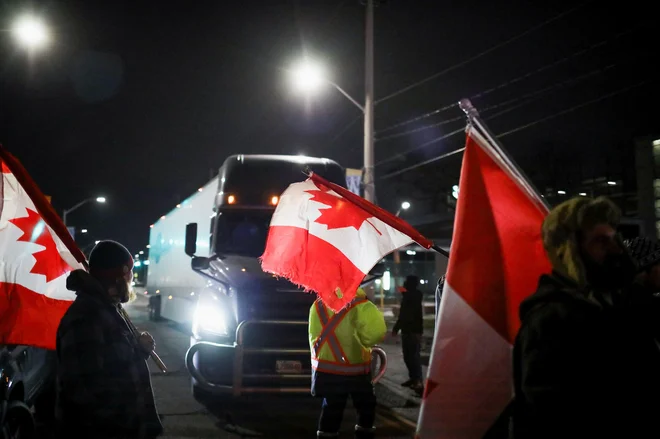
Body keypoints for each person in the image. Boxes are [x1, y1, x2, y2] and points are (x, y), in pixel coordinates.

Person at [511, 196, 660, 439]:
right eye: (601, 242)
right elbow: (554, 416)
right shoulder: (550, 321)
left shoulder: (614, 305)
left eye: (614, 240)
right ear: (570, 251)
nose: (615, 250)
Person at [55, 240, 163, 439]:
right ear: (120, 274)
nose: (131, 278)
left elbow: (114, 365)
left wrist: (140, 351)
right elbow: (86, 391)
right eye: (129, 271)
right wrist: (126, 423)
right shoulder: (86, 317)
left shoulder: (109, 308)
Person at [309, 287, 386, 439]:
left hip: (326, 370)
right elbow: (375, 334)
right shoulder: (361, 304)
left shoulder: (317, 304)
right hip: (355, 370)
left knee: (331, 409)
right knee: (366, 409)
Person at [391, 275, 424, 392]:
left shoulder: (411, 297)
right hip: (408, 330)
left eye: (406, 282)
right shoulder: (411, 295)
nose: (404, 284)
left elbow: (404, 315)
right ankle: (413, 378)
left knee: (413, 356)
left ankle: (418, 381)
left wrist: (396, 328)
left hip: (413, 331)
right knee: (408, 356)